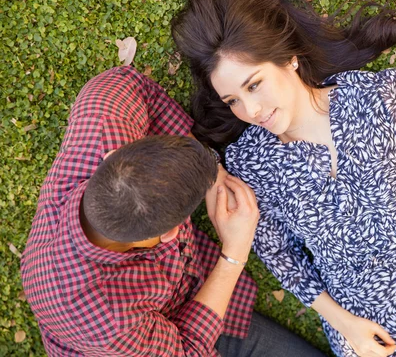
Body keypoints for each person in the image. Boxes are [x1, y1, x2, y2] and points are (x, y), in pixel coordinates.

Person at [171, 0, 396, 357]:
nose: (251, 109)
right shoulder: (251, 164)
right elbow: (280, 255)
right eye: (232, 100)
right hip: (367, 336)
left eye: (254, 84)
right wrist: (342, 322)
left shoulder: (379, 97)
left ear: (288, 59)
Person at [20, 66, 326, 357]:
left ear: (115, 154)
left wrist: (213, 172)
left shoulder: (104, 122)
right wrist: (234, 253)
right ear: (168, 234)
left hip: (182, 295)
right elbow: (190, 349)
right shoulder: (105, 320)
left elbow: (131, 84)